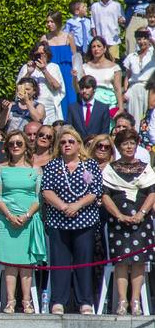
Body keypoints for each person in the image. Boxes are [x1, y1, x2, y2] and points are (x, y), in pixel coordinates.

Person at [40, 126, 103, 314]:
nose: (67, 145)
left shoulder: (89, 165)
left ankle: (84, 301)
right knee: (60, 262)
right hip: (59, 222)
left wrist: (76, 206)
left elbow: (95, 191)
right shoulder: (53, 165)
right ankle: (59, 300)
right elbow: (46, 191)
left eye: (71, 142)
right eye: (63, 142)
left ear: (78, 144)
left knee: (83, 262)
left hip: (85, 221)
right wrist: (62, 206)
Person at [101, 127, 155, 315]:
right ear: (119, 146)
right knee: (121, 261)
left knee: (138, 261)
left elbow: (152, 193)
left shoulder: (145, 168)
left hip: (141, 220)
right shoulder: (111, 169)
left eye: (132, 143)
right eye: (125, 143)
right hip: (119, 220)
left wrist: (141, 213)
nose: (129, 146)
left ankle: (135, 300)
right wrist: (119, 215)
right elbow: (106, 196)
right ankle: (122, 300)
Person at [0, 130, 46, 313]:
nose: (15, 146)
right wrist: (9, 215)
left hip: (28, 219)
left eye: (19, 143)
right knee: (10, 262)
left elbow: (39, 197)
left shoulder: (35, 170)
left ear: (25, 147)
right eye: (12, 143)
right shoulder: (1, 168)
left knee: (26, 263)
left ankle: (27, 301)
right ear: (7, 146)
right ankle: (10, 301)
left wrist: (27, 215)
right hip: (7, 220)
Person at [20, 38, 68, 124]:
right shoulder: (26, 68)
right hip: (28, 108)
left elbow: (57, 86)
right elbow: (19, 87)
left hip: (49, 108)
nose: (40, 56)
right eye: (37, 54)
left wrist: (44, 70)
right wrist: (29, 73)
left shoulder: (53, 67)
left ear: (47, 54)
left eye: (42, 54)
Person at [80, 36, 123, 111]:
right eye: (93, 47)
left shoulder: (115, 67)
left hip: (108, 103)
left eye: (99, 46)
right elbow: (80, 88)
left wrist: (121, 107)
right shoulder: (85, 67)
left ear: (104, 48)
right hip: (90, 102)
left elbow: (117, 89)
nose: (96, 49)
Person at [123, 28, 155, 122]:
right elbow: (127, 76)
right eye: (139, 39)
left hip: (148, 88)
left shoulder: (152, 53)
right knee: (133, 118)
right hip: (133, 89)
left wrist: (150, 37)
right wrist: (126, 90)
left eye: (144, 38)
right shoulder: (131, 56)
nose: (142, 41)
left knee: (147, 118)